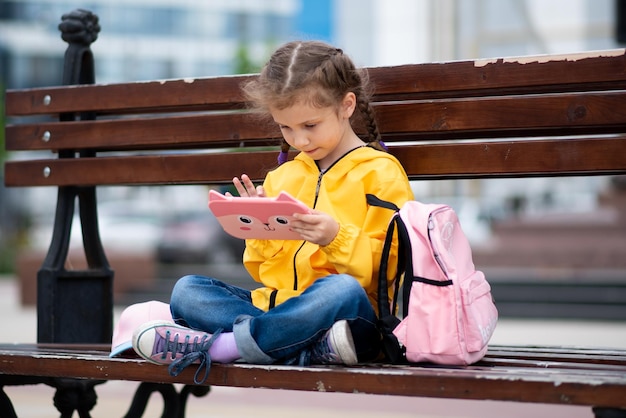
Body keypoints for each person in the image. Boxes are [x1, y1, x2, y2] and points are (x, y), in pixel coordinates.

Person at [132, 40, 414, 383]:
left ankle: (220, 348)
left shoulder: (380, 172)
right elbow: (262, 272)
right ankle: (304, 348)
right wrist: (257, 227)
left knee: (341, 290)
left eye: (310, 125)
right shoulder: (285, 176)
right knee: (188, 290)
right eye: (286, 128)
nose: (300, 140)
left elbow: (391, 268)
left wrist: (335, 238)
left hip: (349, 317)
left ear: (346, 105)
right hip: (280, 309)